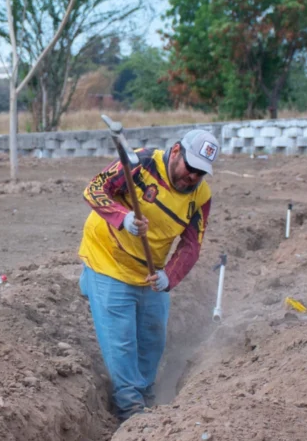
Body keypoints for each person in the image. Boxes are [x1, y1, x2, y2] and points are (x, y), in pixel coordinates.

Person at [78, 129, 217, 419]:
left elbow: (192, 245)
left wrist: (170, 275)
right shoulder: (140, 163)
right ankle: (129, 409)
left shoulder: (200, 196)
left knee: (153, 338)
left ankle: (147, 398)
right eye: (190, 168)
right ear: (176, 151)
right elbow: (94, 189)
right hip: (108, 260)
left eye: (200, 173)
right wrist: (123, 217)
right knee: (122, 341)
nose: (192, 177)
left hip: (150, 271)